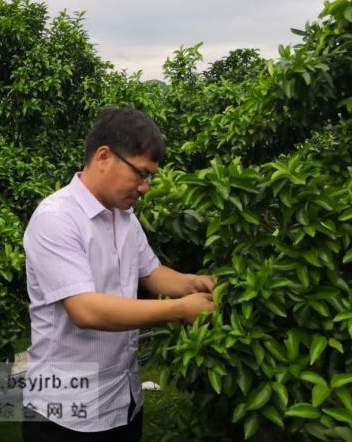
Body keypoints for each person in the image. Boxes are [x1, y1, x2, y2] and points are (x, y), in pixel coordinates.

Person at [21, 107, 216, 442]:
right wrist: (180, 309)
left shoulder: (123, 216)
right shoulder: (56, 218)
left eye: (149, 177)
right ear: (103, 157)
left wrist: (195, 284)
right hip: (66, 414)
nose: (145, 188)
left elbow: (152, 273)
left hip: (122, 401)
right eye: (140, 174)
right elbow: (86, 310)